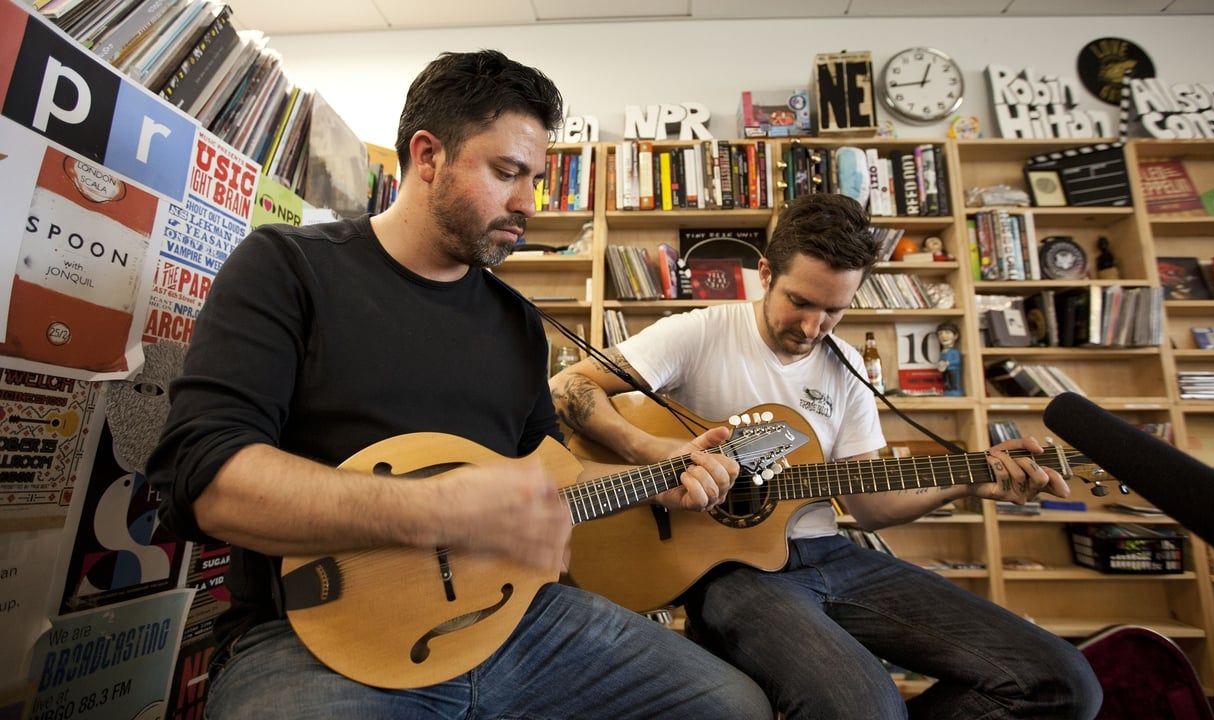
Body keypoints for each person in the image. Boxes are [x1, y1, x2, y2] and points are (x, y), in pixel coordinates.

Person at [145, 50, 773, 720]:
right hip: (310, 639)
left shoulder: (518, 325)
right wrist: (439, 509)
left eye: (533, 179)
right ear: (428, 156)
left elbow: (543, 478)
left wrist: (656, 472)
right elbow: (209, 483)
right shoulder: (287, 270)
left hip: (517, 624)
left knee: (730, 704)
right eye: (506, 173)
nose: (525, 204)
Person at [550, 192, 1103, 719]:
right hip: (730, 572)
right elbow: (569, 387)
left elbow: (871, 506)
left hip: (830, 555)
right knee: (863, 708)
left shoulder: (847, 370)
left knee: (1061, 682)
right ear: (766, 273)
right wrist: (659, 453)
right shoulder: (697, 333)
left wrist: (968, 482)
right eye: (800, 302)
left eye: (834, 310)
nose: (813, 328)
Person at [935, 321, 963, 396]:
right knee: (947, 381)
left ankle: (955, 389)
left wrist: (948, 363)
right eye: (940, 334)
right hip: (945, 370)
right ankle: (949, 389)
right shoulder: (943, 352)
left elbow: (957, 361)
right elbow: (941, 360)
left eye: (947, 333)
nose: (943, 336)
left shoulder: (954, 351)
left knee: (954, 381)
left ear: (956, 336)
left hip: (953, 370)